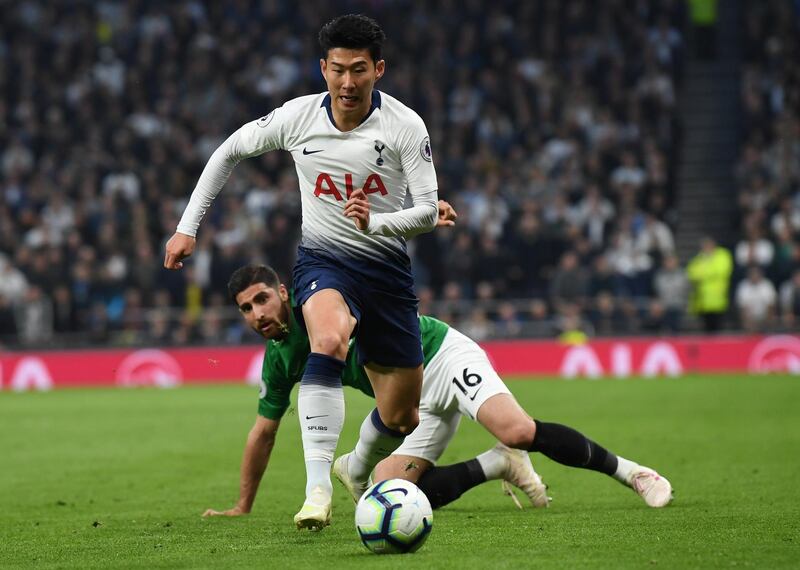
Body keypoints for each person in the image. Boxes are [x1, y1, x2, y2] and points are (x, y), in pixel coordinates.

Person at [163, 15, 440, 529]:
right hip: (324, 260)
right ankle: (316, 493)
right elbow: (228, 151)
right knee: (328, 340)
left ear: (378, 69)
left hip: (386, 273)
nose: (348, 83)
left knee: (403, 417)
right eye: (337, 70)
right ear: (323, 68)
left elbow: (428, 211)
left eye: (359, 70)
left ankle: (352, 466)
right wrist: (187, 228)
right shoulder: (297, 117)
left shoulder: (406, 126)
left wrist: (378, 222)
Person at [202, 263, 673, 522]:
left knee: (518, 428)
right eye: (246, 308)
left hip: (440, 357)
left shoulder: (321, 302)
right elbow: (263, 432)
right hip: (407, 405)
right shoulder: (280, 358)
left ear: (283, 292)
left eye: (262, 298)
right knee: (387, 498)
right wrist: (243, 505)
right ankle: (497, 464)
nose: (257, 313)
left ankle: (634, 474)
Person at [686, 236, 733, 333]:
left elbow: (721, 270)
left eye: (707, 245)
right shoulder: (700, 258)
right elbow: (691, 273)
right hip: (702, 302)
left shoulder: (722, 255)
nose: (706, 248)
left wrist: (703, 274)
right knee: (705, 330)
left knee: (718, 329)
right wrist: (708, 273)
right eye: (704, 246)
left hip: (718, 299)